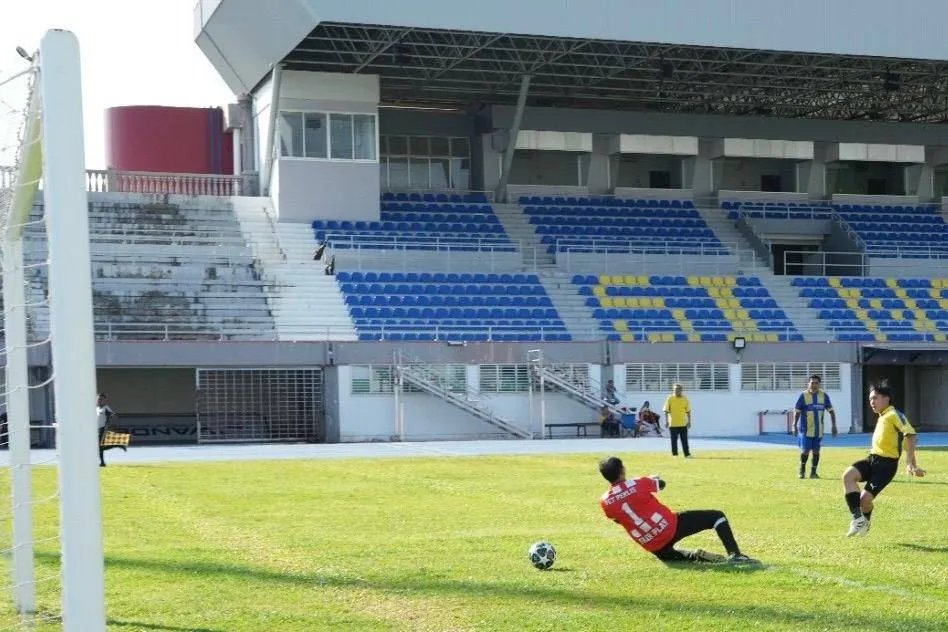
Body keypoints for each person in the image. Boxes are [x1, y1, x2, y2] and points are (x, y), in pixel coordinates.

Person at [598, 456, 757, 564]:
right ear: (622, 470)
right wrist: (653, 479)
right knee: (717, 516)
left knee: (674, 556)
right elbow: (661, 484)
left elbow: (619, 519)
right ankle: (735, 554)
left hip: (653, 545)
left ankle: (693, 555)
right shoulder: (636, 483)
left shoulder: (604, 501)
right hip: (670, 527)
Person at [842, 380, 926, 537]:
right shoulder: (882, 416)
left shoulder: (894, 415)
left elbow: (911, 436)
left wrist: (911, 464)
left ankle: (865, 520)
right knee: (848, 475)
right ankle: (858, 519)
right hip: (872, 459)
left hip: (886, 467)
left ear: (887, 398)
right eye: (870, 399)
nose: (871, 402)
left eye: (875, 398)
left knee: (864, 501)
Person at [794, 375, 837, 479]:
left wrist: (834, 426)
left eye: (816, 383)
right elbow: (797, 412)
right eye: (812, 382)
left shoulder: (824, 396)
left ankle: (813, 472)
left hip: (819, 430)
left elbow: (831, 411)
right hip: (806, 430)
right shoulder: (803, 396)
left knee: (816, 451)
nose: (814, 385)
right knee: (805, 451)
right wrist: (793, 425)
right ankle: (802, 471)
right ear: (808, 383)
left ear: (819, 384)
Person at [662, 383, 692, 457]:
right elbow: (666, 410)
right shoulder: (669, 398)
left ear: (681, 390)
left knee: (684, 440)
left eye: (677, 389)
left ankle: (687, 454)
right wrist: (666, 421)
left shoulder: (685, 399)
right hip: (673, 423)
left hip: (683, 423)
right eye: (674, 389)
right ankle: (675, 454)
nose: (675, 391)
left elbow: (688, 411)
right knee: (674, 440)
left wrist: (689, 421)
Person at [96, 392, 116, 468]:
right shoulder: (96, 408)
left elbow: (113, 416)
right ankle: (101, 462)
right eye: (98, 399)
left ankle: (102, 462)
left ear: (104, 400)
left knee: (100, 446)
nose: (99, 400)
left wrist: (108, 424)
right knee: (98, 446)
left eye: (101, 399)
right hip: (96, 430)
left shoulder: (106, 408)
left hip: (102, 429)